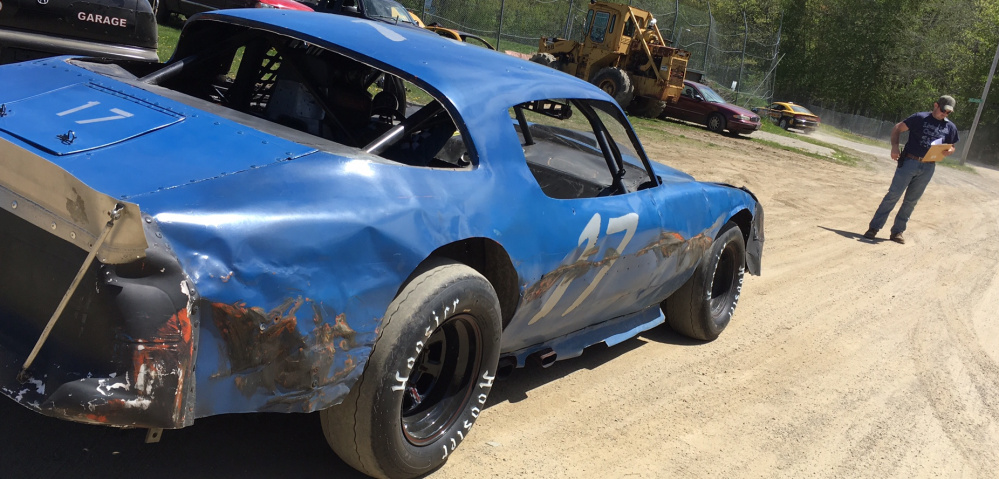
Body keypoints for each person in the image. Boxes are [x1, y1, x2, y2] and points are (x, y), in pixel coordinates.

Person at [863, 95, 960, 244]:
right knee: (893, 195)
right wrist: (895, 146)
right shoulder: (919, 118)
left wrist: (950, 151)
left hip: (928, 167)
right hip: (910, 161)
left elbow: (952, 145)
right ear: (936, 105)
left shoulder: (950, 127)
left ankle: (897, 232)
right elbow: (897, 128)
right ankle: (874, 228)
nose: (944, 114)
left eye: (948, 113)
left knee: (911, 201)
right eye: (943, 110)